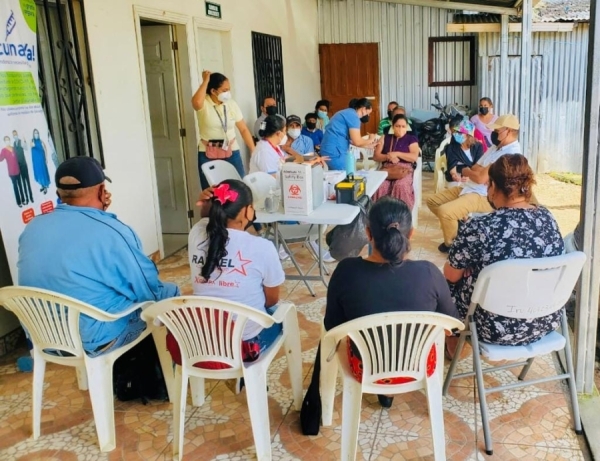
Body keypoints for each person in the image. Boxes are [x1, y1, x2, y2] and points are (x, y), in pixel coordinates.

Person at [17, 156, 179, 356]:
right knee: (168, 295)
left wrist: (98, 216)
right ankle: (167, 376)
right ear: (102, 190)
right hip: (93, 340)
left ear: (59, 192)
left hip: (44, 338)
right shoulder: (112, 232)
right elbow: (148, 289)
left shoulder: (33, 226)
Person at [324, 197, 459, 407]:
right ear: (411, 234)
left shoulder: (346, 271)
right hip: (419, 364)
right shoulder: (429, 273)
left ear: (368, 234)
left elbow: (332, 326)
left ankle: (383, 392)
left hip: (364, 366)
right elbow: (452, 323)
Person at [444, 154, 563, 352]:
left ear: (492, 186)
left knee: (444, 284)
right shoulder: (547, 218)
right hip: (544, 320)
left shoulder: (480, 226)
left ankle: (453, 345)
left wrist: (474, 270)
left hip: (492, 327)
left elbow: (451, 275)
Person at [188, 180, 286, 358]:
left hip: (203, 339)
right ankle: (246, 376)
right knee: (283, 317)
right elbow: (271, 300)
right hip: (246, 343)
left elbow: (204, 219)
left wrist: (206, 204)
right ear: (248, 210)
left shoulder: (195, 234)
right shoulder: (262, 247)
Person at [426, 114, 522, 253]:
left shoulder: (511, 154)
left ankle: (454, 246)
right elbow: (476, 168)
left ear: (508, 131)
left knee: (445, 212)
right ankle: (460, 227)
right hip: (470, 187)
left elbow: (479, 177)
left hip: (485, 195)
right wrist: (476, 172)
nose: (493, 134)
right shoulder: (496, 147)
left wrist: (470, 171)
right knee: (432, 201)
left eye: (497, 131)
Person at [192, 71, 255, 190]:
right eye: (224, 90)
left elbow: (243, 129)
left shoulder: (231, 104)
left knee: (239, 187)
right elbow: (196, 102)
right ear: (213, 91)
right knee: (211, 190)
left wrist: (253, 150)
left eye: (229, 89)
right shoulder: (204, 103)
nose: (228, 93)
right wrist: (206, 80)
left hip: (231, 150)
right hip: (208, 151)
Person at [372, 114, 419, 210]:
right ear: (393, 126)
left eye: (403, 126)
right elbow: (376, 156)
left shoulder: (411, 139)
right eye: (397, 126)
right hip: (387, 169)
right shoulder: (385, 137)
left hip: (404, 169)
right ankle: (380, 218)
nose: (400, 129)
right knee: (380, 186)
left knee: (400, 186)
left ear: (407, 127)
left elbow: (414, 156)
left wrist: (397, 154)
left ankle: (402, 218)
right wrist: (388, 156)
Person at [320, 98, 377, 171]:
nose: (368, 115)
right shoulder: (354, 116)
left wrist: (368, 145)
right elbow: (357, 141)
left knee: (336, 177)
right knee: (346, 176)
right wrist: (371, 138)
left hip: (328, 149)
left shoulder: (347, 113)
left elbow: (353, 141)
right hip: (335, 152)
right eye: (368, 113)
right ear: (363, 109)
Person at [443, 118, 484, 184]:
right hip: (457, 177)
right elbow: (452, 165)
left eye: (460, 132)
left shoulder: (478, 147)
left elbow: (478, 165)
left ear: (468, 135)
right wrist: (454, 175)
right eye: (456, 132)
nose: (456, 134)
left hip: (474, 176)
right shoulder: (452, 148)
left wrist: (470, 176)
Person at [0, 135, 24, 207]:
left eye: (8, 139)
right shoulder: (4, 150)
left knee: (20, 185)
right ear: (4, 141)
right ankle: (19, 202)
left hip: (18, 170)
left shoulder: (13, 148)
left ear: (9, 140)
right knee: (15, 187)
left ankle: (23, 200)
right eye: (6, 140)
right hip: (11, 172)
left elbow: (18, 157)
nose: (7, 141)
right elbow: (0, 159)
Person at [13, 130, 34, 206]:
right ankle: (27, 198)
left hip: (24, 165)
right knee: (23, 184)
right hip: (18, 166)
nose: (15, 136)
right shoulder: (14, 144)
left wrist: (24, 141)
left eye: (15, 134)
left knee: (27, 182)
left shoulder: (20, 142)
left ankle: (31, 197)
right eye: (13, 135)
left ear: (17, 135)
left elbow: (26, 148)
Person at [31, 128, 51, 194]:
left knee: (43, 173)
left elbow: (45, 149)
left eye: (37, 133)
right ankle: (42, 186)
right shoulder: (32, 141)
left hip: (42, 160)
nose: (36, 134)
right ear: (33, 134)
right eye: (35, 133)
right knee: (39, 173)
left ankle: (45, 187)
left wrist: (46, 158)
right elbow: (32, 147)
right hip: (36, 161)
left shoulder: (41, 141)